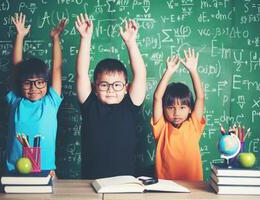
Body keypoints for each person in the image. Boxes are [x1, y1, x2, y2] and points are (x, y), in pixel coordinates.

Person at [75, 13, 146, 179]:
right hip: (90, 182)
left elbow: (141, 75)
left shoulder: (131, 105)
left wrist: (131, 43)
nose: (111, 90)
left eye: (117, 85)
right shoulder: (89, 104)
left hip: (126, 183)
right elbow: (81, 74)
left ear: (126, 88)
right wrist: (85, 38)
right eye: (104, 85)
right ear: (95, 87)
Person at [5, 13, 67, 175]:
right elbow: (16, 67)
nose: (33, 88)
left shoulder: (51, 102)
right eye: (28, 82)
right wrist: (20, 36)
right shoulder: (15, 101)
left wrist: (55, 39)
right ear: (20, 83)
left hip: (45, 170)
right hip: (14, 169)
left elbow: (57, 68)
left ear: (46, 82)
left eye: (39, 82)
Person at [151, 48, 206, 181]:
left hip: (194, 186)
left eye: (182, 107)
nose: (176, 113)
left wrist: (193, 70)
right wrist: (168, 72)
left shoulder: (193, 125)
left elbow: (200, 97)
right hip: (166, 187)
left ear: (189, 109)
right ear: (164, 109)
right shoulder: (161, 128)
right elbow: (157, 97)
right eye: (170, 107)